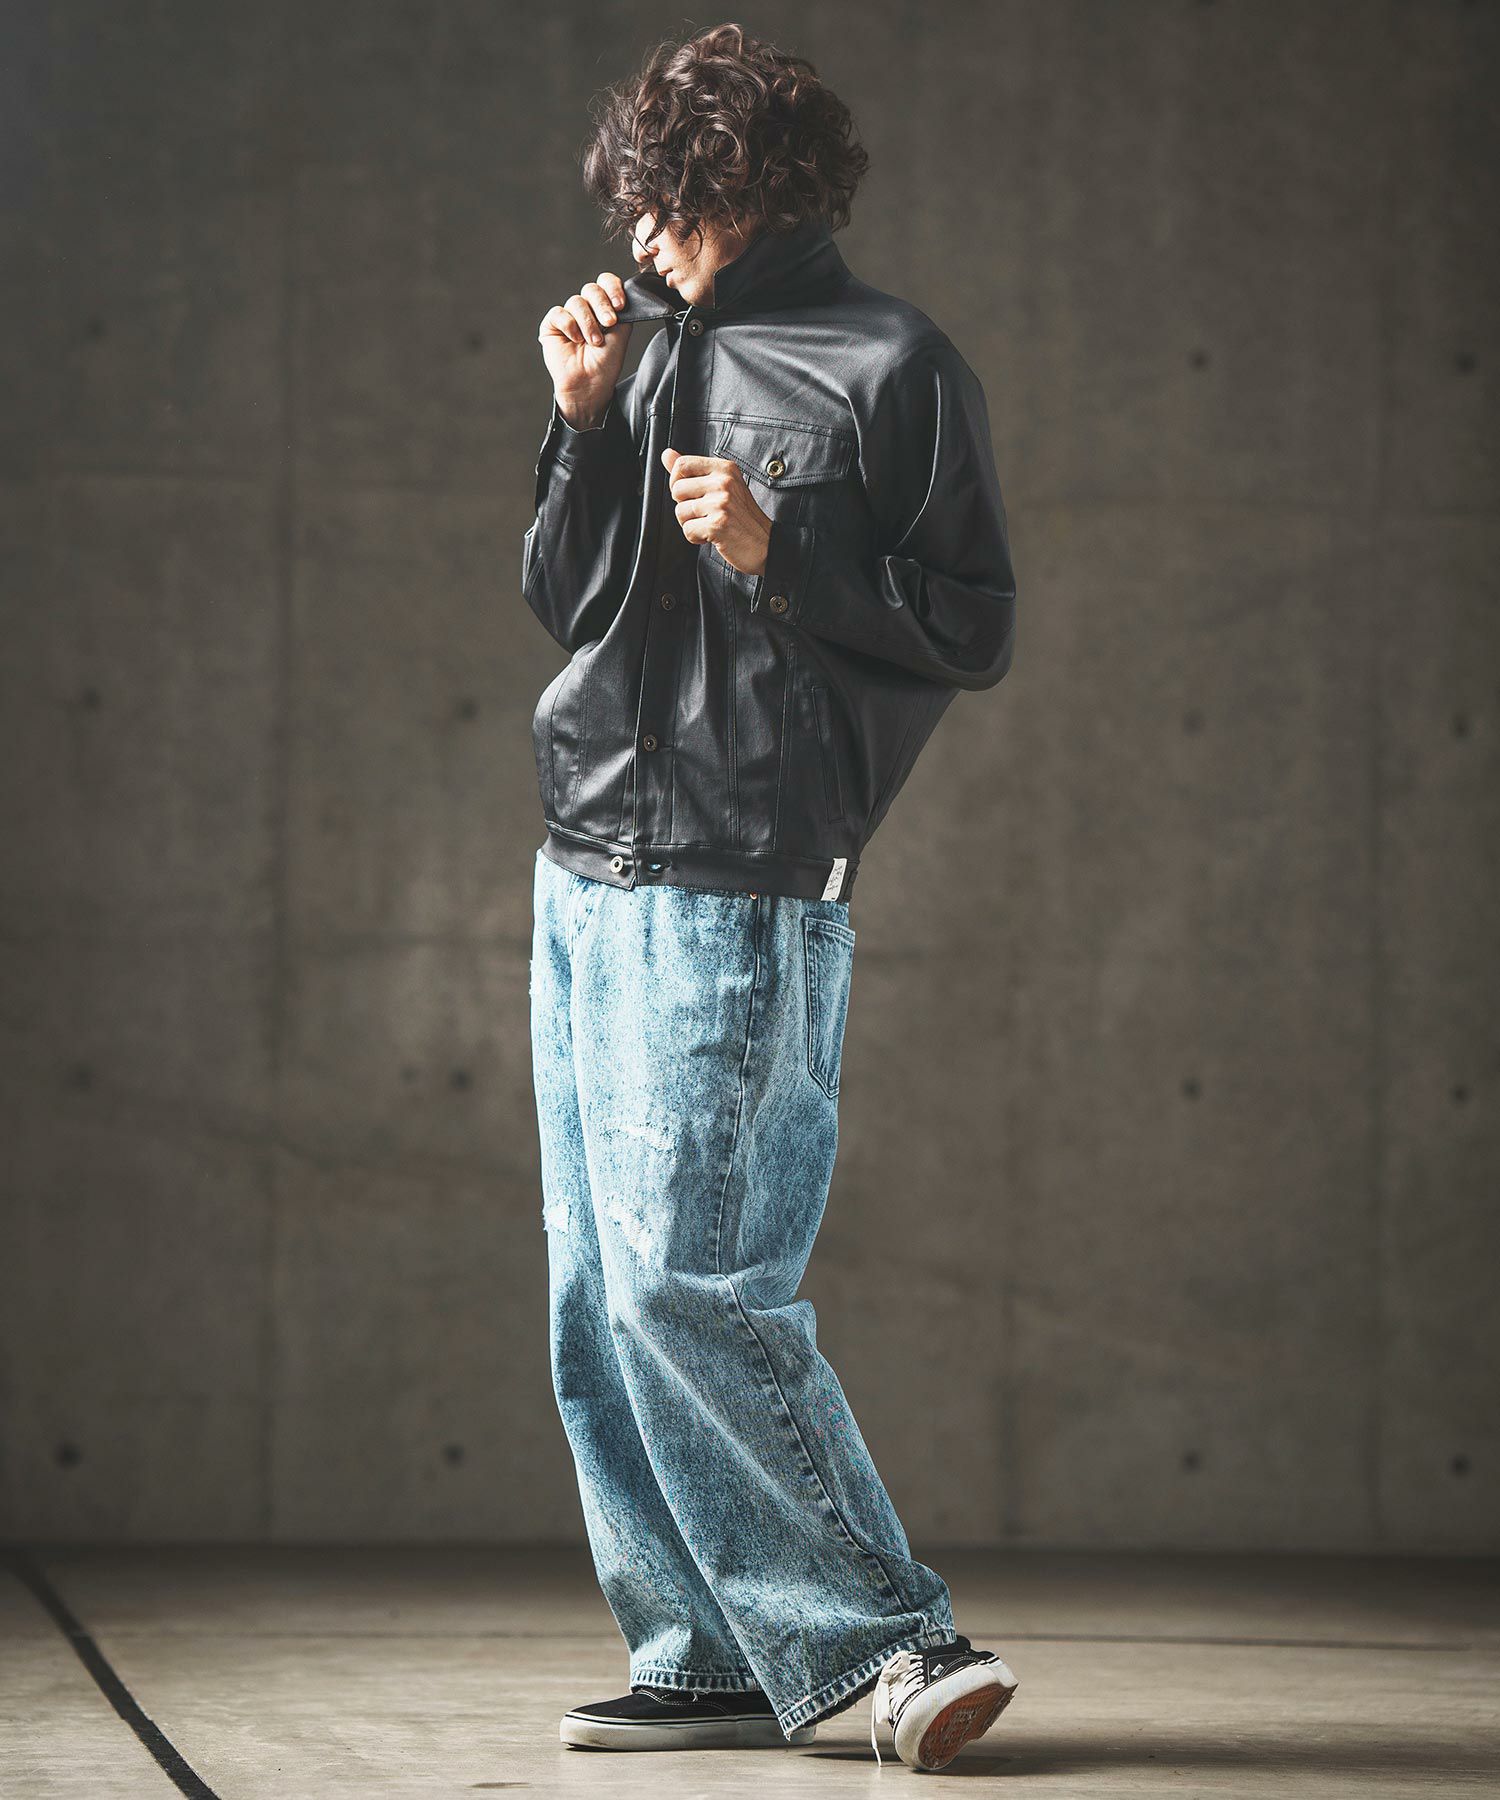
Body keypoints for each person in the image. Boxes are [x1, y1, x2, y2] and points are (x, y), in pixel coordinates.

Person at [522, 22, 1019, 1772]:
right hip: (581, 862)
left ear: (750, 186)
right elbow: (570, 600)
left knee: (695, 1284)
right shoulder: (643, 345)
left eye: (666, 199)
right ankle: (702, 1653)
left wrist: (779, 550)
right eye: (632, 201)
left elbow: (973, 625)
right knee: (599, 1298)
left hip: (738, 885)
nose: (638, 230)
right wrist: (583, 425)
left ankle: (898, 1638)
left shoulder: (894, 367)